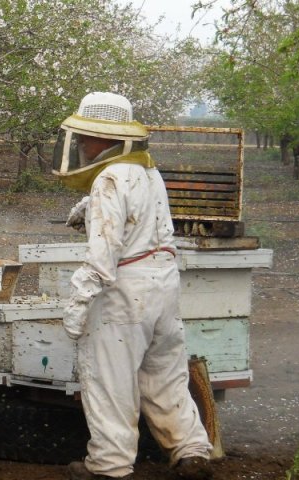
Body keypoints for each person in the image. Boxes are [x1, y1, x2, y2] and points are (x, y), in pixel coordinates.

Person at [52, 92, 214, 480]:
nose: (82, 144)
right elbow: (139, 214)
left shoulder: (108, 178)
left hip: (125, 291)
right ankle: (191, 452)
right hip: (164, 284)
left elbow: (103, 255)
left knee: (110, 380)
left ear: (103, 138)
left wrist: (78, 304)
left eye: (87, 137)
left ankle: (109, 466)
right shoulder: (148, 172)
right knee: (165, 376)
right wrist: (88, 208)